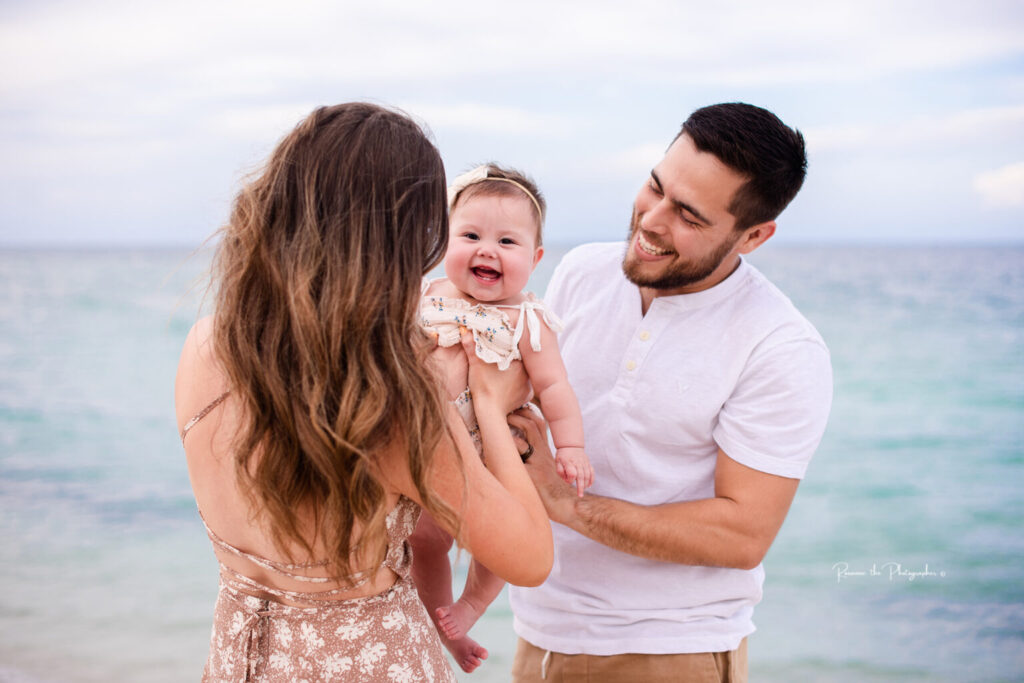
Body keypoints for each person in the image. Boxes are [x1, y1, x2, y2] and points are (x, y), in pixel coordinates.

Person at [174, 103, 552, 682]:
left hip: (237, 661)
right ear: (398, 246)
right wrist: (493, 410)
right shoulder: (392, 405)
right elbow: (529, 558)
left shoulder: (207, 346)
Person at [506, 102, 834, 683]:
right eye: (655, 187)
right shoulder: (582, 271)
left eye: (688, 214)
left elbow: (742, 534)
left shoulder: (780, 346)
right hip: (538, 632)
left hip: (668, 651)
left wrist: (565, 503)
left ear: (753, 236)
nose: (652, 220)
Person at [410, 163, 593, 673]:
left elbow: (555, 387)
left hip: (495, 455)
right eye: (470, 235)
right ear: (443, 243)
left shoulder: (529, 321)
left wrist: (571, 446)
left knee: (502, 538)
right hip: (427, 448)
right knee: (424, 541)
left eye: (507, 242)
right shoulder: (425, 296)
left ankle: (472, 604)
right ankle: (438, 622)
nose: (487, 250)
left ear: (534, 259)